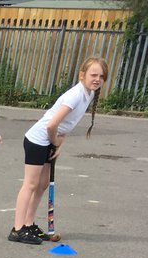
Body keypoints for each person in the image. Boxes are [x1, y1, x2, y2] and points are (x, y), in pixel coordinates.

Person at [9, 57, 108, 245]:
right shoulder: (75, 95)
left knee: (42, 184)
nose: (97, 79)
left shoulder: (90, 94)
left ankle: (29, 224)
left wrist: (60, 144)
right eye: (93, 74)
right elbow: (52, 125)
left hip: (50, 141)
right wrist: (55, 141)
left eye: (101, 76)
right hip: (37, 140)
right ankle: (18, 229)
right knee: (30, 184)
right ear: (82, 75)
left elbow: (67, 124)